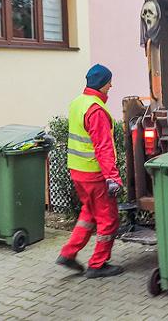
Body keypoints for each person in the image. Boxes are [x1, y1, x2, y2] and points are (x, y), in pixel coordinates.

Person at [57, 64, 124, 278]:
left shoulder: (78, 103)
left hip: (78, 171)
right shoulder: (96, 110)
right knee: (108, 218)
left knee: (89, 214)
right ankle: (98, 264)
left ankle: (68, 253)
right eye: (109, 82)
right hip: (95, 175)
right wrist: (112, 178)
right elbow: (102, 147)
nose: (111, 85)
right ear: (102, 84)